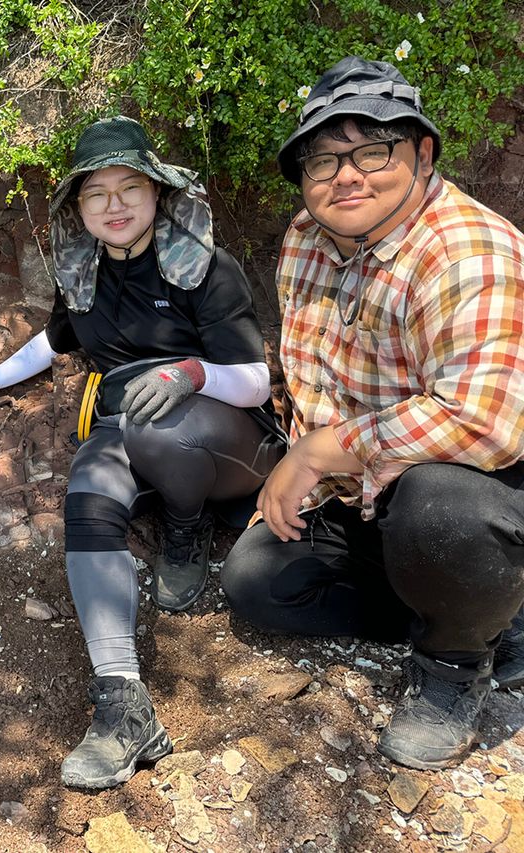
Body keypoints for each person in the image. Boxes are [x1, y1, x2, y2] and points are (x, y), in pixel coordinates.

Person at [0, 117, 283, 788]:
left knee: (158, 430)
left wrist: (190, 373)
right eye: (96, 193)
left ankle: (187, 528)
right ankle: (124, 703)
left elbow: (253, 380)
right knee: (87, 497)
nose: (114, 205)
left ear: (157, 193)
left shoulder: (206, 267)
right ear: (79, 208)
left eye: (129, 188)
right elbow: (54, 341)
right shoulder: (83, 273)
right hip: (127, 425)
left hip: (227, 438)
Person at [221, 56, 524, 771]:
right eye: (323, 160)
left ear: (423, 153)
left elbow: (488, 424)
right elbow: (310, 378)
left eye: (373, 151)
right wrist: (303, 472)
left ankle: (454, 667)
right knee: (256, 581)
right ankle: (485, 614)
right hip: (362, 493)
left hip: (480, 485)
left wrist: (317, 453)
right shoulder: (306, 239)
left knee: (439, 507)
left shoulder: (467, 252)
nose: (346, 176)